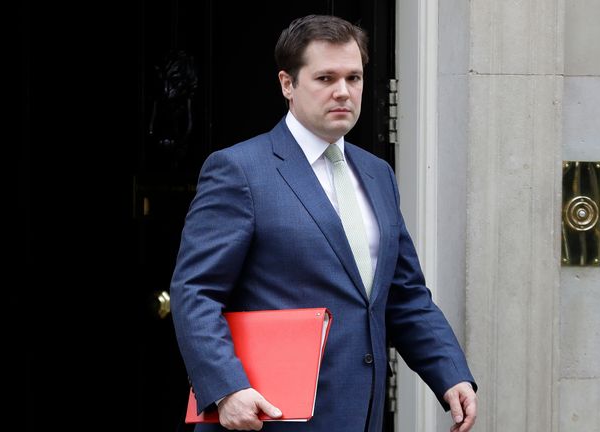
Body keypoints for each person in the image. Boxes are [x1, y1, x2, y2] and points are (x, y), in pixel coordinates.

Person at [170, 14, 478, 432]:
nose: (343, 92)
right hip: (266, 416)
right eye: (325, 78)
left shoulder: (377, 175)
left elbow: (404, 294)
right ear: (287, 84)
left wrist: (450, 372)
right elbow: (196, 291)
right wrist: (226, 388)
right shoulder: (239, 170)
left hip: (360, 415)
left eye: (354, 77)